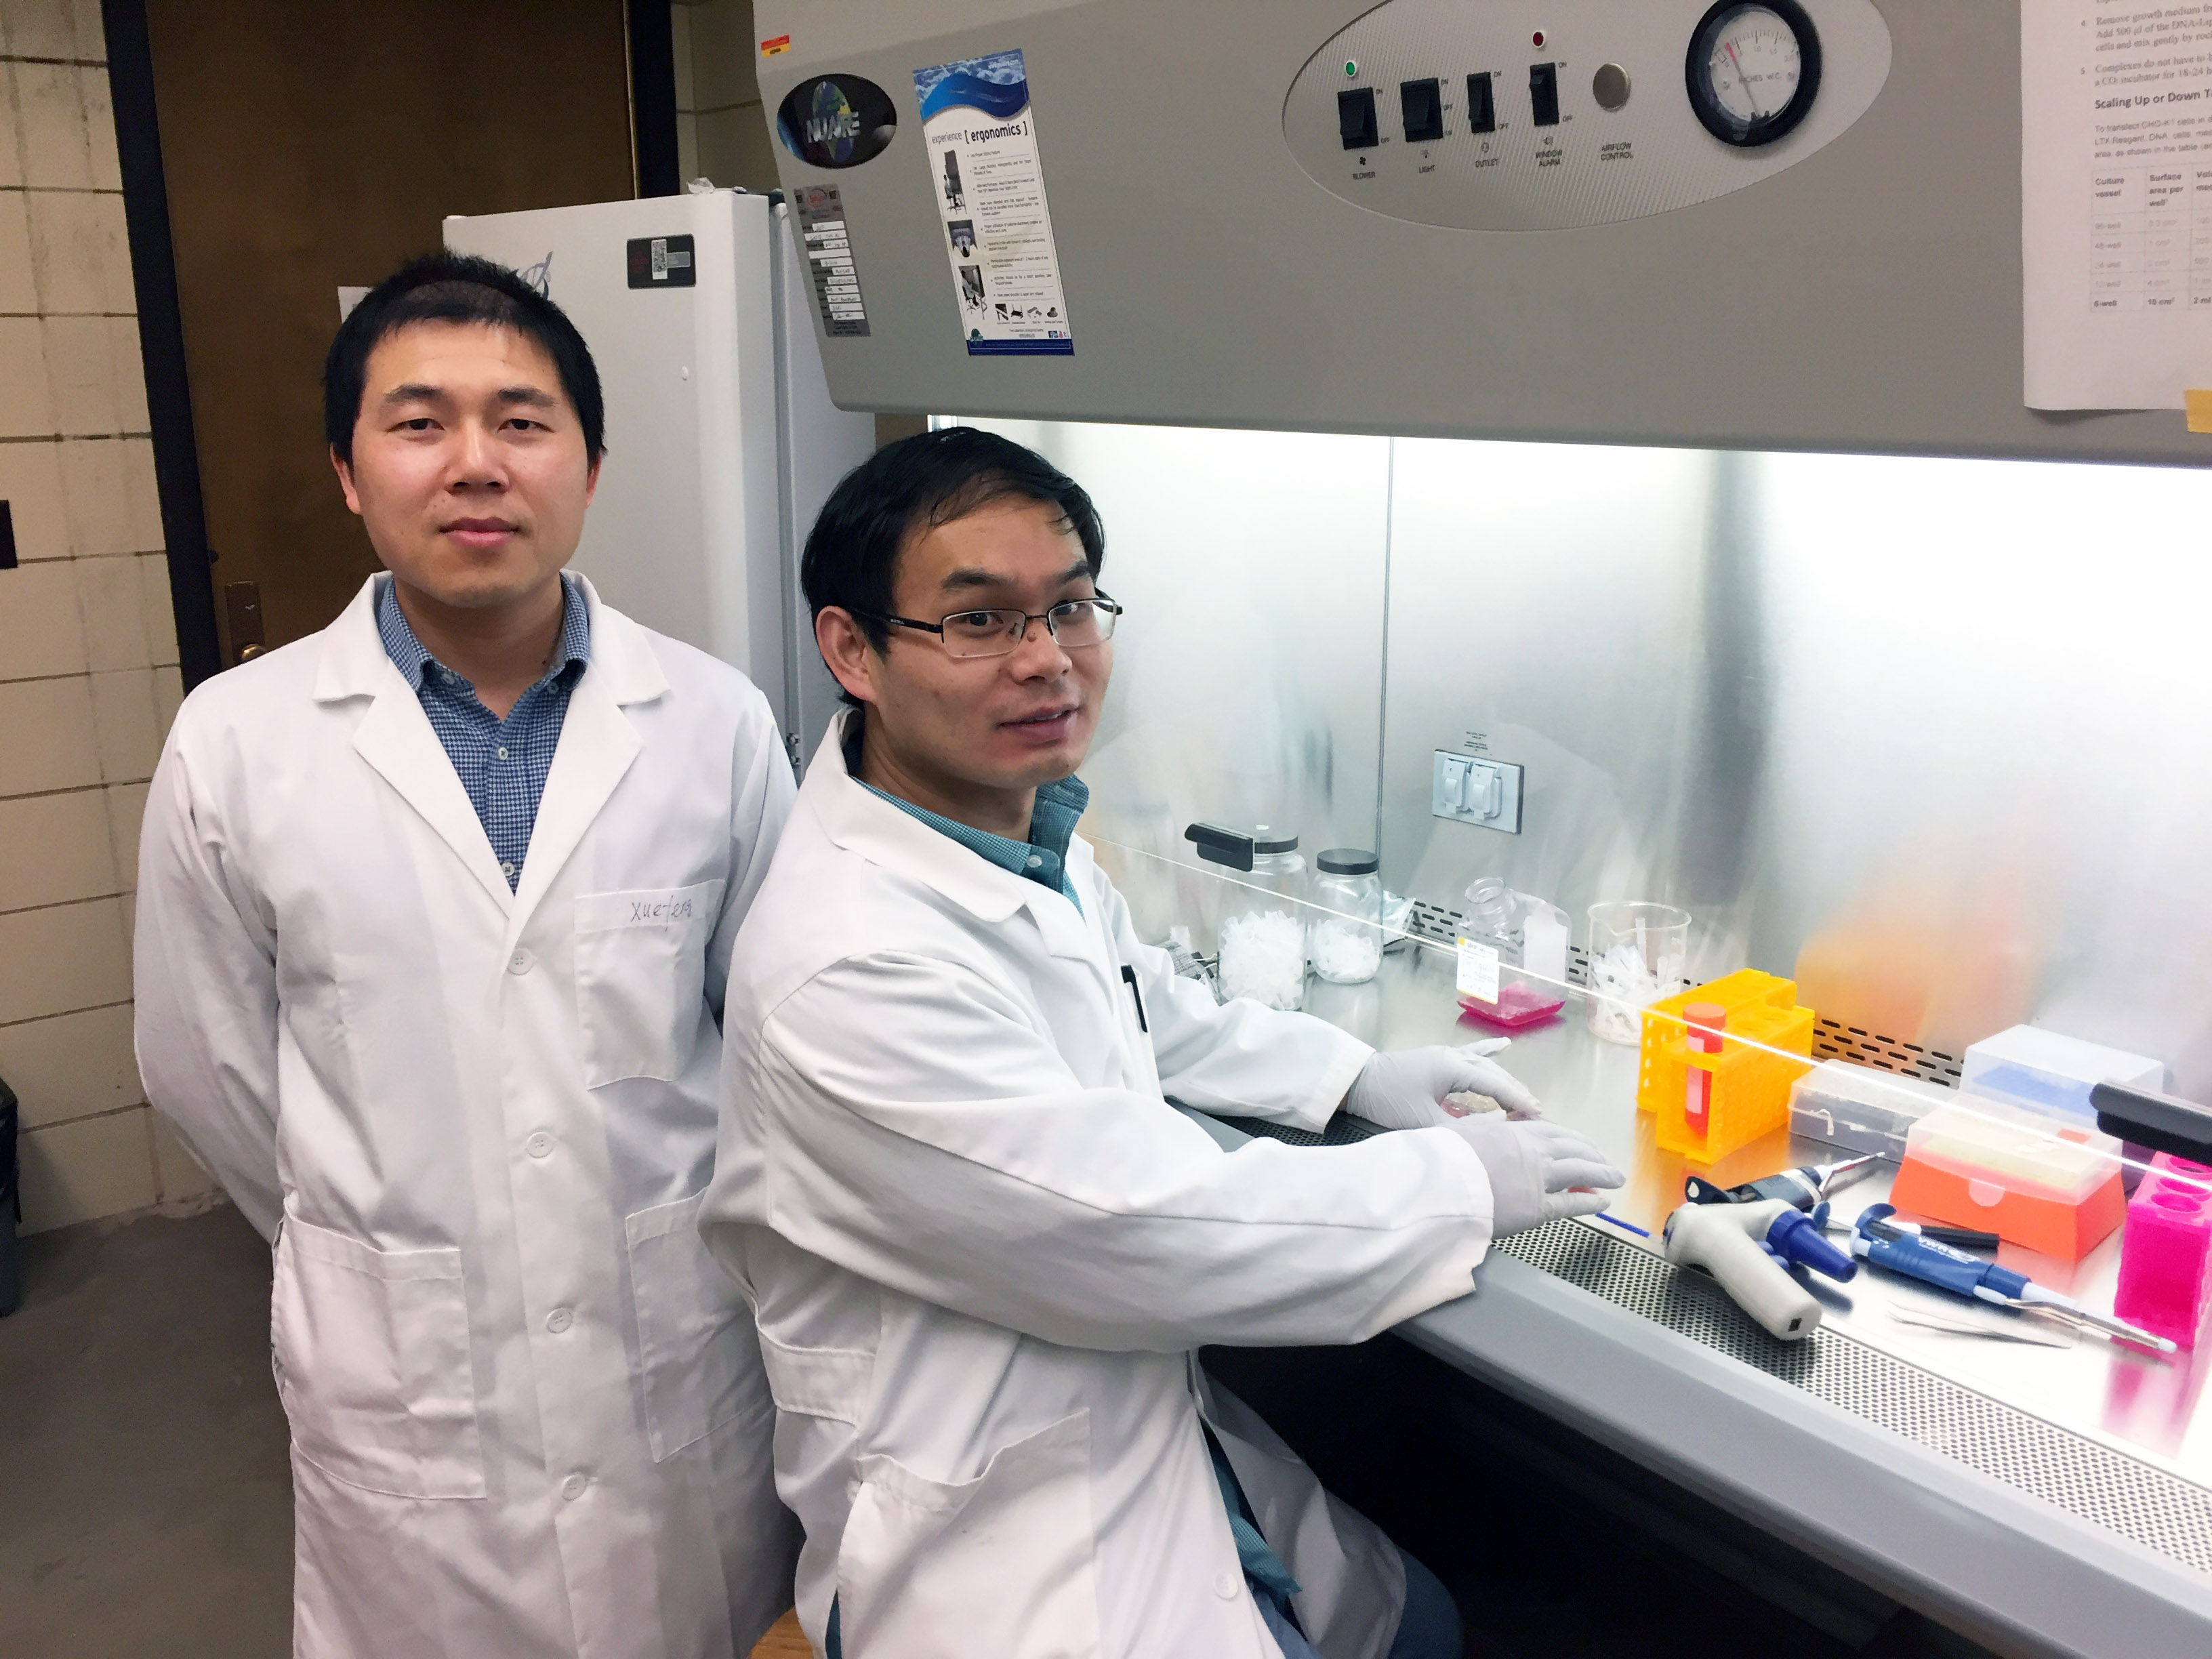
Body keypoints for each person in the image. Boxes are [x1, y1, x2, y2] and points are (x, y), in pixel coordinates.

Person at [700, 428, 1624, 1658]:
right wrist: (1459, 1180)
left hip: (1136, 1443)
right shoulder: (848, 961)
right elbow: (1135, 1228)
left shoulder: (1017, 832)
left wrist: (1351, 1075)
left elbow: (1142, 1004)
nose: (1048, 661)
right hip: (1003, 1541)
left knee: (1424, 1622)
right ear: (852, 650)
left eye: (1072, 606)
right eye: (980, 622)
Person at [134, 253, 799, 1659]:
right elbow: (209, 1073)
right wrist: (388, 1229)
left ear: (592, 467)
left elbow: (772, 1042)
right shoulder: (237, 742)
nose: (476, 464)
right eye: (420, 421)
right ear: (348, 471)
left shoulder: (714, 722)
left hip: (671, 1362)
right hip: (407, 1391)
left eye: (523, 420)